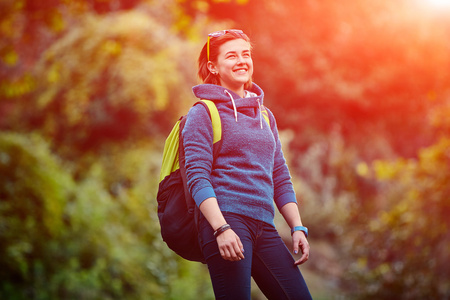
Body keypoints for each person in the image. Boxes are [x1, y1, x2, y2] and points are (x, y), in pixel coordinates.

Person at [182, 29, 312, 300]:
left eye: (246, 54)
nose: (242, 60)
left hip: (263, 224)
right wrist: (221, 228)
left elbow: (279, 175)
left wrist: (297, 226)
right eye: (231, 56)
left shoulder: (265, 116)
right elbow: (197, 176)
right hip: (226, 220)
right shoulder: (203, 113)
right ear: (213, 66)